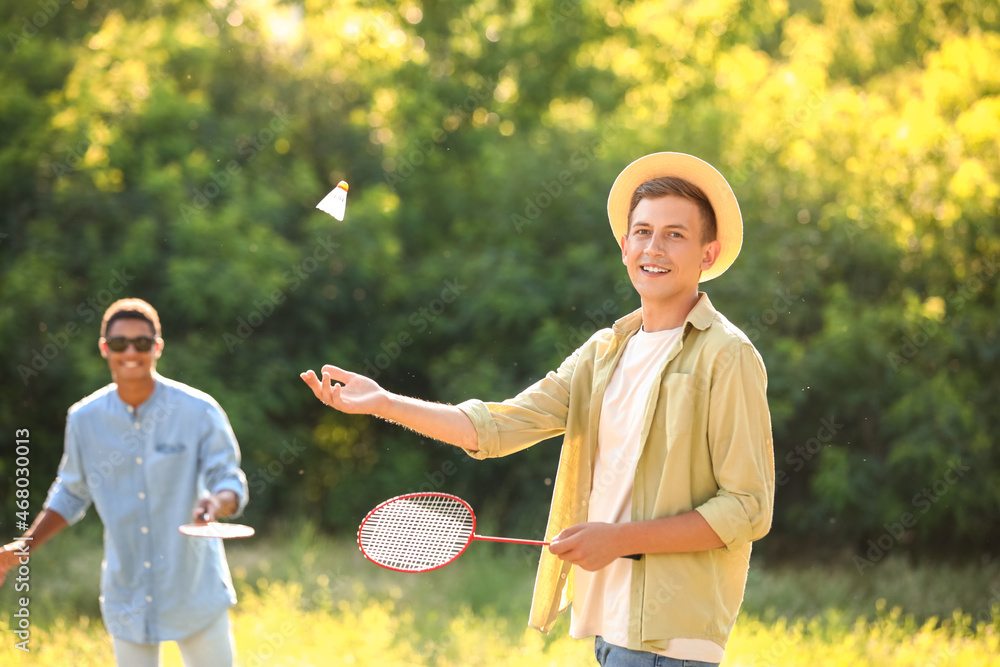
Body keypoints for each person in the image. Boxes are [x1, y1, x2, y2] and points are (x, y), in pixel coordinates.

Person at [301, 152, 774, 665]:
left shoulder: (727, 356)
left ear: (709, 253)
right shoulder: (603, 352)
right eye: (642, 232)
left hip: (671, 639)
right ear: (624, 246)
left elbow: (746, 507)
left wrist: (618, 540)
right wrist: (384, 402)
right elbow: (497, 427)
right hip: (608, 628)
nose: (653, 248)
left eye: (675, 235)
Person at [0, 298, 249, 667]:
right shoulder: (84, 419)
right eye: (119, 344)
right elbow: (70, 493)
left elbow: (229, 480)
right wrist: (22, 548)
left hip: (195, 589)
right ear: (105, 348)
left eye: (142, 343)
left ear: (158, 347)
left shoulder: (199, 410)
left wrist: (216, 502)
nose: (130, 352)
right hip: (127, 593)